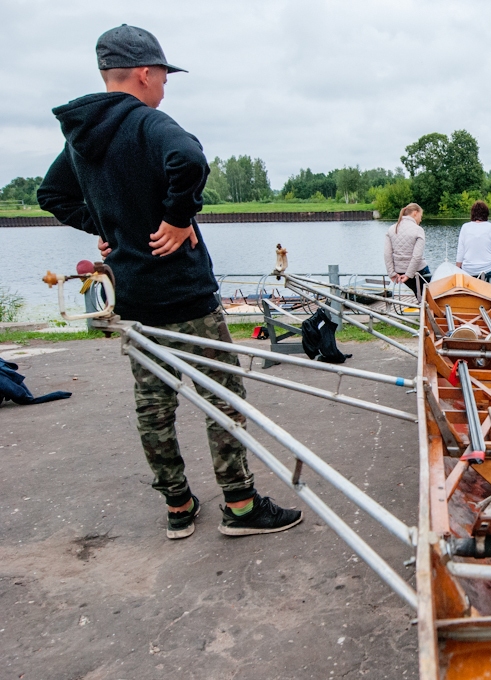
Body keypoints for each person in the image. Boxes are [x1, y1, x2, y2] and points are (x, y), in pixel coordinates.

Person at [36, 25, 302, 540]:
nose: (165, 86)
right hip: (183, 292)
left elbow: (53, 194)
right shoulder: (145, 122)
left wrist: (108, 229)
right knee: (222, 395)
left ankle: (178, 508)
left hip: (131, 294)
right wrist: (179, 218)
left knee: (153, 403)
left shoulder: (82, 135)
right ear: (144, 73)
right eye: (163, 75)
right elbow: (189, 158)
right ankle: (241, 506)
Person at [384, 202, 431, 299]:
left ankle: (423, 308)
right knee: (431, 295)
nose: (421, 219)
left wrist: (391, 273)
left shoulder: (391, 229)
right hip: (418, 272)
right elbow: (417, 256)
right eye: (420, 216)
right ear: (415, 213)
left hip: (400, 272)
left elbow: (387, 254)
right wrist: (409, 274)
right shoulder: (418, 230)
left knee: (421, 296)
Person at [456, 200, 491, 284]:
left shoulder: (465, 227)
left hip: (469, 271)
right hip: (489, 270)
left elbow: (460, 251)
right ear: (486, 214)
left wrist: (457, 270)